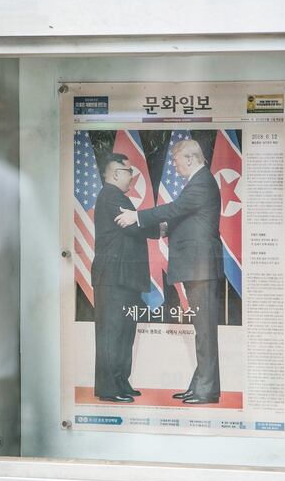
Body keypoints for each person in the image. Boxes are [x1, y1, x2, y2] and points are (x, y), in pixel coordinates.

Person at [115, 139, 224, 404]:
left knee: (205, 331)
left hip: (200, 268)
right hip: (197, 267)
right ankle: (201, 386)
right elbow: (187, 217)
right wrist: (165, 229)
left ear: (190, 158)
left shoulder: (202, 182)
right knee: (202, 330)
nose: (174, 166)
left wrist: (137, 217)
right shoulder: (199, 182)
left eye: (176, 160)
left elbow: (176, 209)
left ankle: (207, 390)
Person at [91, 153, 157, 403]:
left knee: (124, 332)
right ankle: (109, 388)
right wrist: (162, 227)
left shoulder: (116, 196)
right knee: (112, 333)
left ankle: (120, 381)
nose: (132, 177)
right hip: (113, 277)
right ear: (117, 173)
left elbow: (135, 225)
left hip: (123, 277)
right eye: (129, 172)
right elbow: (134, 226)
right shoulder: (111, 195)